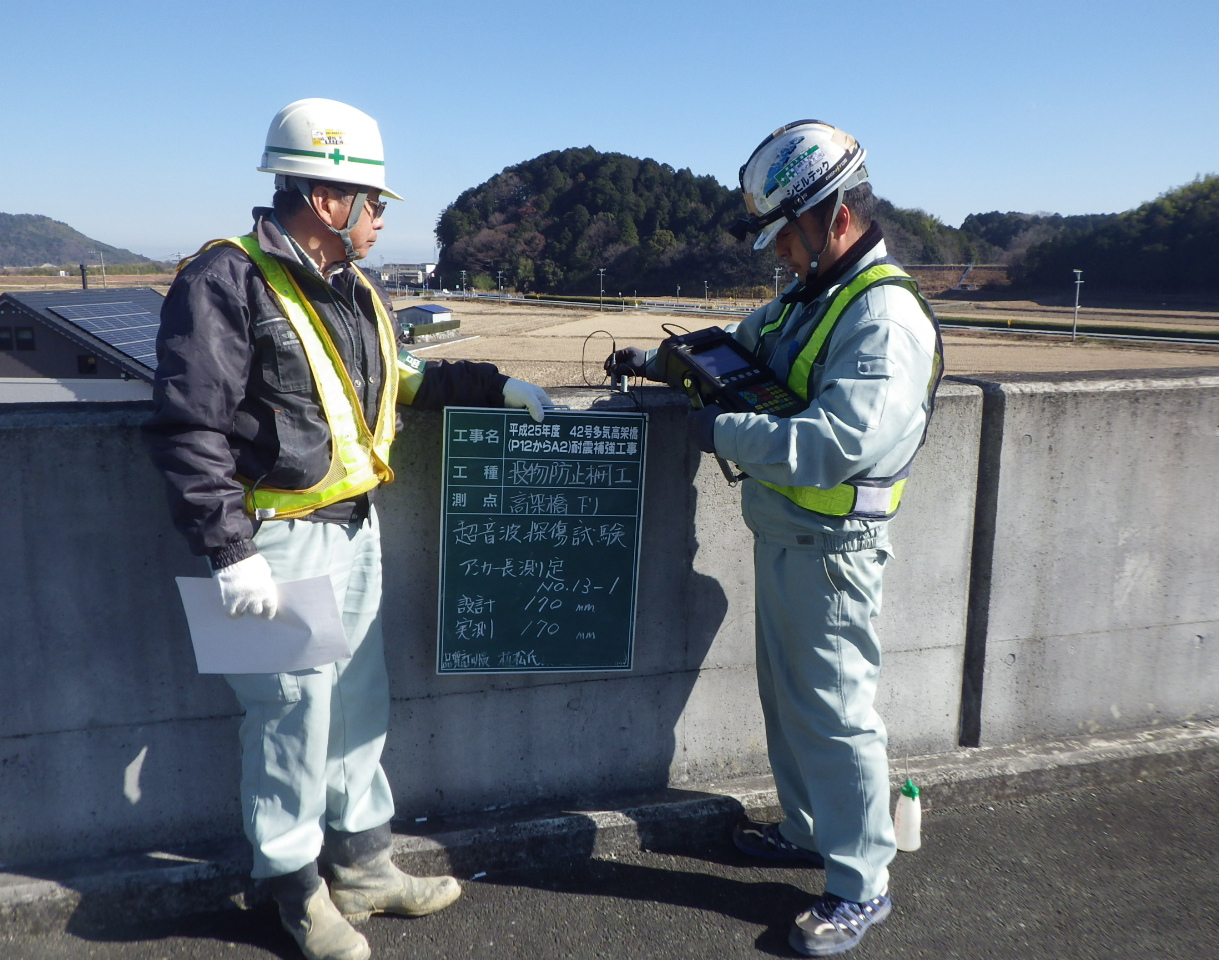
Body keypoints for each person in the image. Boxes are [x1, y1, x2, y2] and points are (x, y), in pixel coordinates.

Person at [143, 98, 551, 960]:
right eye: (373, 200)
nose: (379, 216)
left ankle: (364, 865)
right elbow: (189, 429)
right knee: (287, 721)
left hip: (353, 533)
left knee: (357, 706)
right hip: (270, 544)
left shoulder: (354, 289)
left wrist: (494, 384)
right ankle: (294, 893)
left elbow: (396, 381)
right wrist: (228, 553)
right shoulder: (224, 280)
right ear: (328, 200)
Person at [608, 120, 942, 957]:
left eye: (785, 236)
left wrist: (723, 432)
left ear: (833, 217)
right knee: (790, 704)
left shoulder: (884, 319)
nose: (779, 256)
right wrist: (663, 364)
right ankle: (808, 828)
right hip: (788, 535)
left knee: (835, 716)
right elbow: (741, 346)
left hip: (834, 551)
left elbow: (833, 441)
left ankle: (861, 884)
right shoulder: (815, 294)